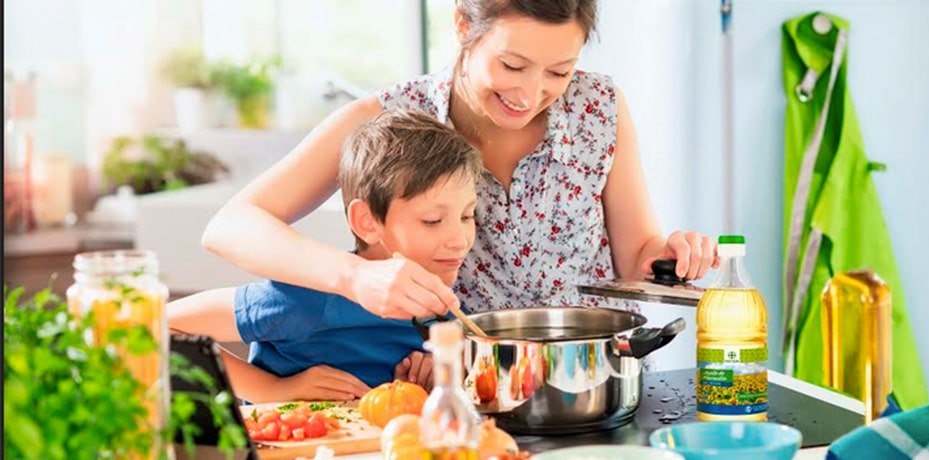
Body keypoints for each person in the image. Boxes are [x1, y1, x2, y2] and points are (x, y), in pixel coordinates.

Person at [201, 0, 717, 319]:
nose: (532, 92)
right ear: (462, 24)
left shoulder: (598, 109)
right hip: (449, 387)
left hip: (594, 381)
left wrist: (668, 256)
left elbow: (636, 258)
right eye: (512, 64)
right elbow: (231, 226)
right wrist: (353, 277)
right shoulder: (391, 119)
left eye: (559, 71)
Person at [169, 110, 482, 402]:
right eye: (432, 221)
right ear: (367, 221)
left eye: (467, 216)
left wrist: (431, 376)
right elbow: (160, 328)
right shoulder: (310, 300)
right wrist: (276, 389)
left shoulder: (443, 305)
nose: (459, 240)